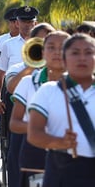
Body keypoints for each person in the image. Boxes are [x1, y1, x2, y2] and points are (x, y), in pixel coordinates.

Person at [28, 33, 95, 186]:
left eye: (89, 52)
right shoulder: (48, 90)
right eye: (75, 53)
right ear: (64, 59)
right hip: (61, 174)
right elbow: (34, 134)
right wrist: (59, 142)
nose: (82, 58)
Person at [9, 31, 70, 187]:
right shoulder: (28, 82)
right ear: (42, 53)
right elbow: (14, 123)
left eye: (63, 47)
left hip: (73, 159)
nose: (57, 52)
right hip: (35, 156)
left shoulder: (85, 86)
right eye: (51, 47)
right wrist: (40, 132)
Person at [0, 5, 39, 187]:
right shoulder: (7, 45)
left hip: (39, 94)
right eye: (23, 21)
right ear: (17, 22)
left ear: (35, 22)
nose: (27, 25)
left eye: (30, 22)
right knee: (15, 145)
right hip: (14, 98)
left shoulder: (45, 43)